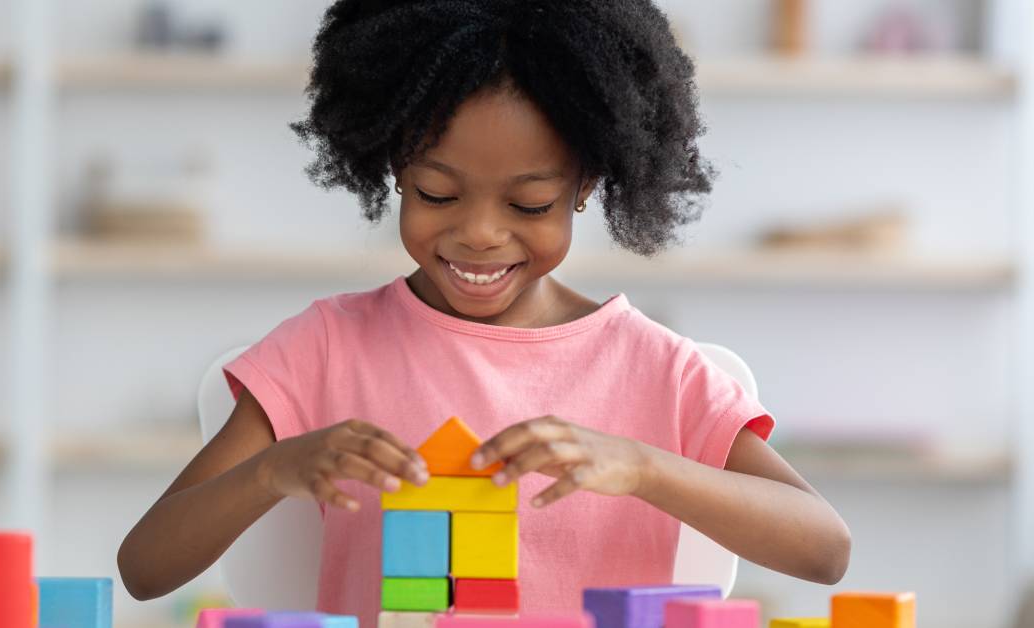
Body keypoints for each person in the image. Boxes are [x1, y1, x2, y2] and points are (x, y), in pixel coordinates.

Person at [118, 1, 852, 625]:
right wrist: (273, 471)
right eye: (437, 193)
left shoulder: (657, 369)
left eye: (528, 204)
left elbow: (824, 549)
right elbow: (145, 567)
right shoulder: (326, 347)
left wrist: (640, 466)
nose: (478, 233)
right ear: (392, 168)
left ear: (587, 184)